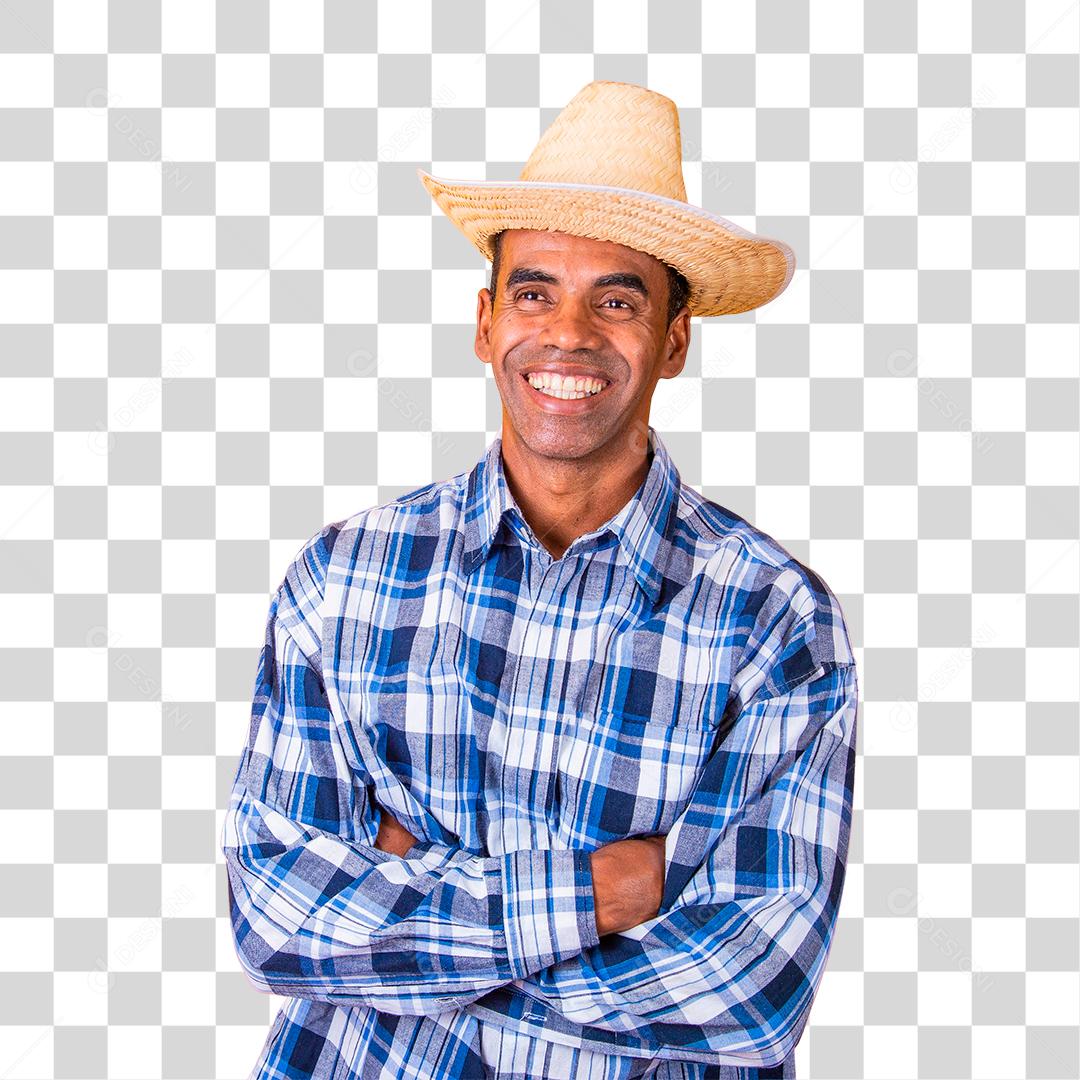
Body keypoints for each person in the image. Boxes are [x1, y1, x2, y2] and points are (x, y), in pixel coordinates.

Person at [221, 80, 858, 1079]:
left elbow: (749, 990)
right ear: (486, 324)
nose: (569, 332)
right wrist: (610, 894)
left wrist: (406, 911)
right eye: (534, 292)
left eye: (618, 299)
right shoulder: (343, 578)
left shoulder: (774, 621)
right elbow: (276, 920)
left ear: (674, 341)